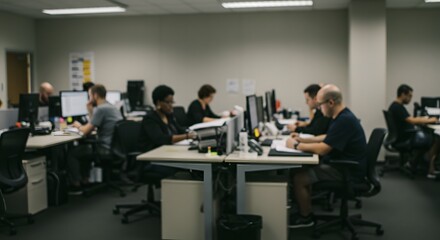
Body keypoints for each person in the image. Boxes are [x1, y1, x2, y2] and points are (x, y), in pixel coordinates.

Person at [286, 84, 367, 228]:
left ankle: (306, 218)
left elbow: (323, 149)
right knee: (302, 169)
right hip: (343, 164)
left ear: (330, 102)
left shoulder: (344, 120)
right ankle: (306, 210)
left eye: (320, 104)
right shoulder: (342, 115)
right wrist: (303, 139)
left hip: (348, 171)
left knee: (299, 177)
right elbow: (328, 137)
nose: (318, 108)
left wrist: (296, 146)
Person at [67, 84, 123, 194]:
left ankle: (76, 184)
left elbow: (85, 131)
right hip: (114, 147)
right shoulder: (110, 107)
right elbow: (94, 123)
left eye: (89, 95)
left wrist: (78, 125)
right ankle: (85, 180)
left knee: (72, 154)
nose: (89, 98)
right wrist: (90, 110)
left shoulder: (101, 109)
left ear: (95, 95)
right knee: (86, 148)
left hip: (104, 148)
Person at [388, 84, 439, 179]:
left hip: (401, 135)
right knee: (433, 140)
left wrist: (422, 119)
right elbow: (411, 120)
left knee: (428, 137)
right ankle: (428, 168)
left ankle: (413, 163)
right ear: (403, 94)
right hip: (404, 137)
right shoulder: (398, 107)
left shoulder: (395, 106)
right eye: (409, 96)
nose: (410, 99)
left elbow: (410, 118)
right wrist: (430, 120)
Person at [139, 85, 196, 152]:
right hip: (152, 154)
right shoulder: (150, 119)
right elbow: (161, 139)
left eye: (172, 102)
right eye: (168, 102)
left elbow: (179, 130)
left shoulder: (169, 116)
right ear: (158, 102)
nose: (171, 106)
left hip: (168, 150)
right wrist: (186, 136)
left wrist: (193, 131)